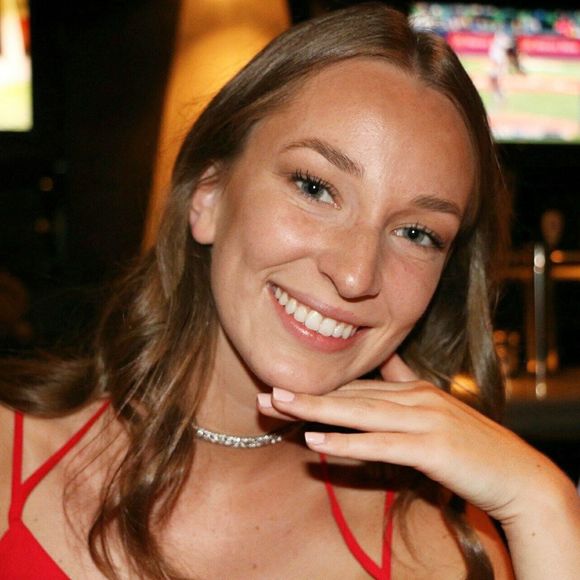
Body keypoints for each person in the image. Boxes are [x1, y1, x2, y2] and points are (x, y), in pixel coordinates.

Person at [1, 4, 579, 579]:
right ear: (208, 194)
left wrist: (544, 503)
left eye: (416, 233)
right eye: (315, 187)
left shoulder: (441, 548)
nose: (355, 275)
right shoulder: (9, 457)